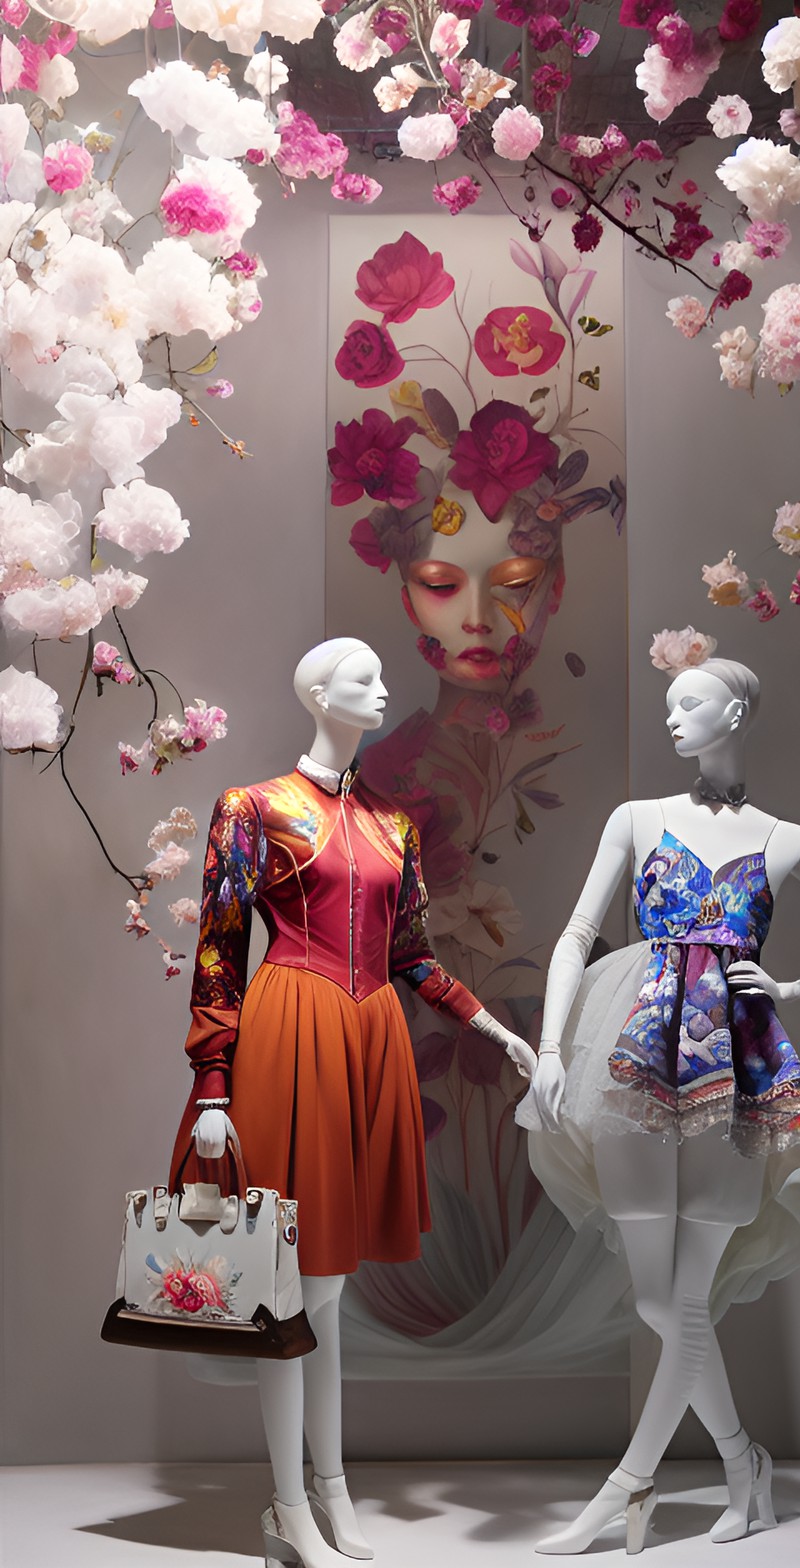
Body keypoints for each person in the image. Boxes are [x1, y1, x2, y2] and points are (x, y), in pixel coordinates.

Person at [168, 638, 535, 1568]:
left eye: (380, 677)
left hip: (371, 1038)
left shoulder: (391, 824)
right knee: (294, 1284)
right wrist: (212, 1083)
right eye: (362, 678)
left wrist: (490, 1026)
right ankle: (290, 1505)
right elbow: (218, 947)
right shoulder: (254, 808)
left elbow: (412, 954)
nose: (382, 691)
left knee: (330, 1288)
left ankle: (330, 1489)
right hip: (291, 1031)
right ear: (317, 694)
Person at [519, 656, 800, 1552]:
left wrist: (789, 987)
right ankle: (744, 1462)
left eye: (691, 703)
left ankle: (626, 1487)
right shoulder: (637, 819)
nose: (673, 718)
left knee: (684, 1301)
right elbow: (574, 934)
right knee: (659, 1300)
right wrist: (552, 1049)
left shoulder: (791, 840)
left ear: (737, 711)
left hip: (735, 1062)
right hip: (638, 1051)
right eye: (669, 704)